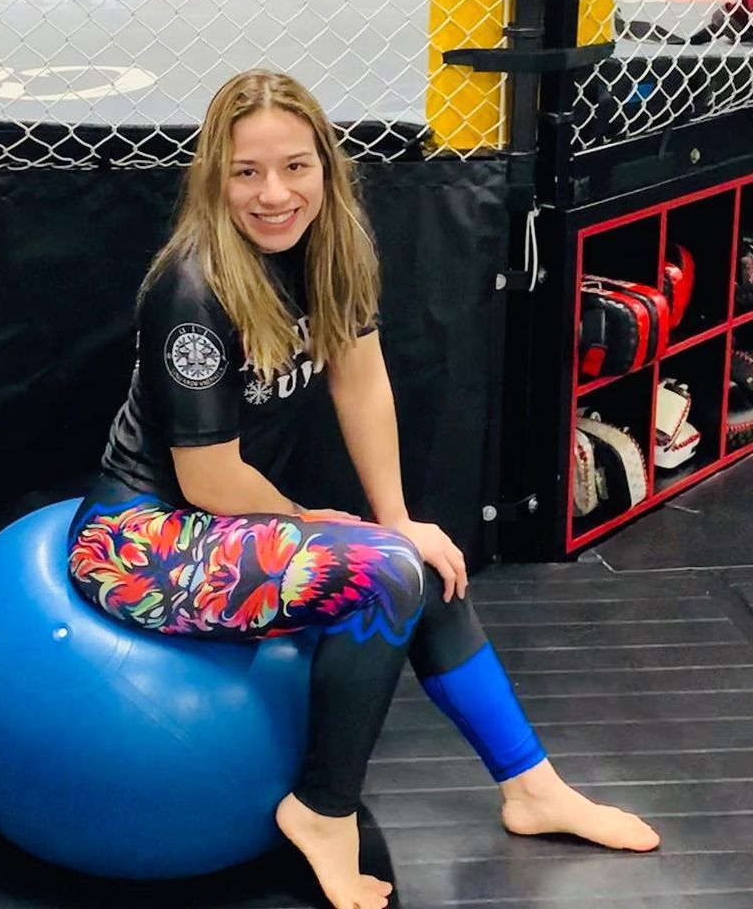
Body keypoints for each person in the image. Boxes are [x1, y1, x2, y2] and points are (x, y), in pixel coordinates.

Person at [66, 69, 659, 909]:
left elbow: (361, 380)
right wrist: (316, 521)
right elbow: (208, 477)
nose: (275, 194)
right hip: (138, 540)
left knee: (417, 560)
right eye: (246, 173)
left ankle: (532, 787)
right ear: (214, 180)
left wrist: (397, 518)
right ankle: (322, 809)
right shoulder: (192, 288)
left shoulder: (331, 248)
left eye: (295, 167)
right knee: (384, 573)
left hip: (222, 522)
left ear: (326, 167)